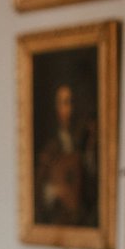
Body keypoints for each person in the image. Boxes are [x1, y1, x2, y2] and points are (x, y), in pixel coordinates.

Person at [34, 82, 98, 228]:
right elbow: (40, 187)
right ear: (56, 108)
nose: (70, 109)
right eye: (64, 103)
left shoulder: (80, 141)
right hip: (58, 214)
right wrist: (55, 191)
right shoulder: (50, 145)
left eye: (71, 102)